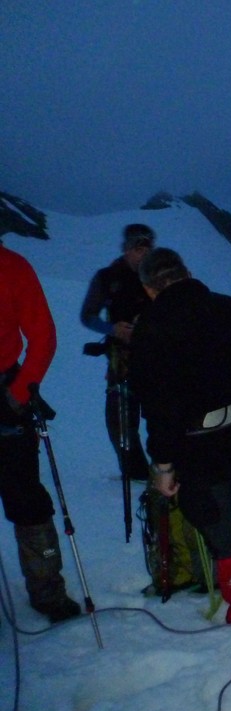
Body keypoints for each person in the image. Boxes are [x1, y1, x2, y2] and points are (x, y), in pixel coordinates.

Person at [128, 247, 231, 623]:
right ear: (187, 271)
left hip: (198, 447)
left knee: (218, 519)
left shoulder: (151, 328)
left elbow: (158, 408)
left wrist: (163, 465)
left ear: (149, 288)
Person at [0, 242, 81, 623]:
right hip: (9, 393)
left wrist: (17, 396)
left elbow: (43, 337)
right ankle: (47, 591)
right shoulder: (12, 265)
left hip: (6, 395)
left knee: (25, 497)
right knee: (25, 496)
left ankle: (47, 591)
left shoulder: (11, 266)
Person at [80, 223, 155, 481]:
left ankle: (168, 472)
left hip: (159, 357)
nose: (142, 254)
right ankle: (137, 476)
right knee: (120, 421)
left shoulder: (160, 278)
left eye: (147, 248)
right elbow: (88, 316)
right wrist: (112, 329)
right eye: (137, 248)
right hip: (121, 359)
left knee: (163, 415)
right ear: (126, 249)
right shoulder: (107, 277)